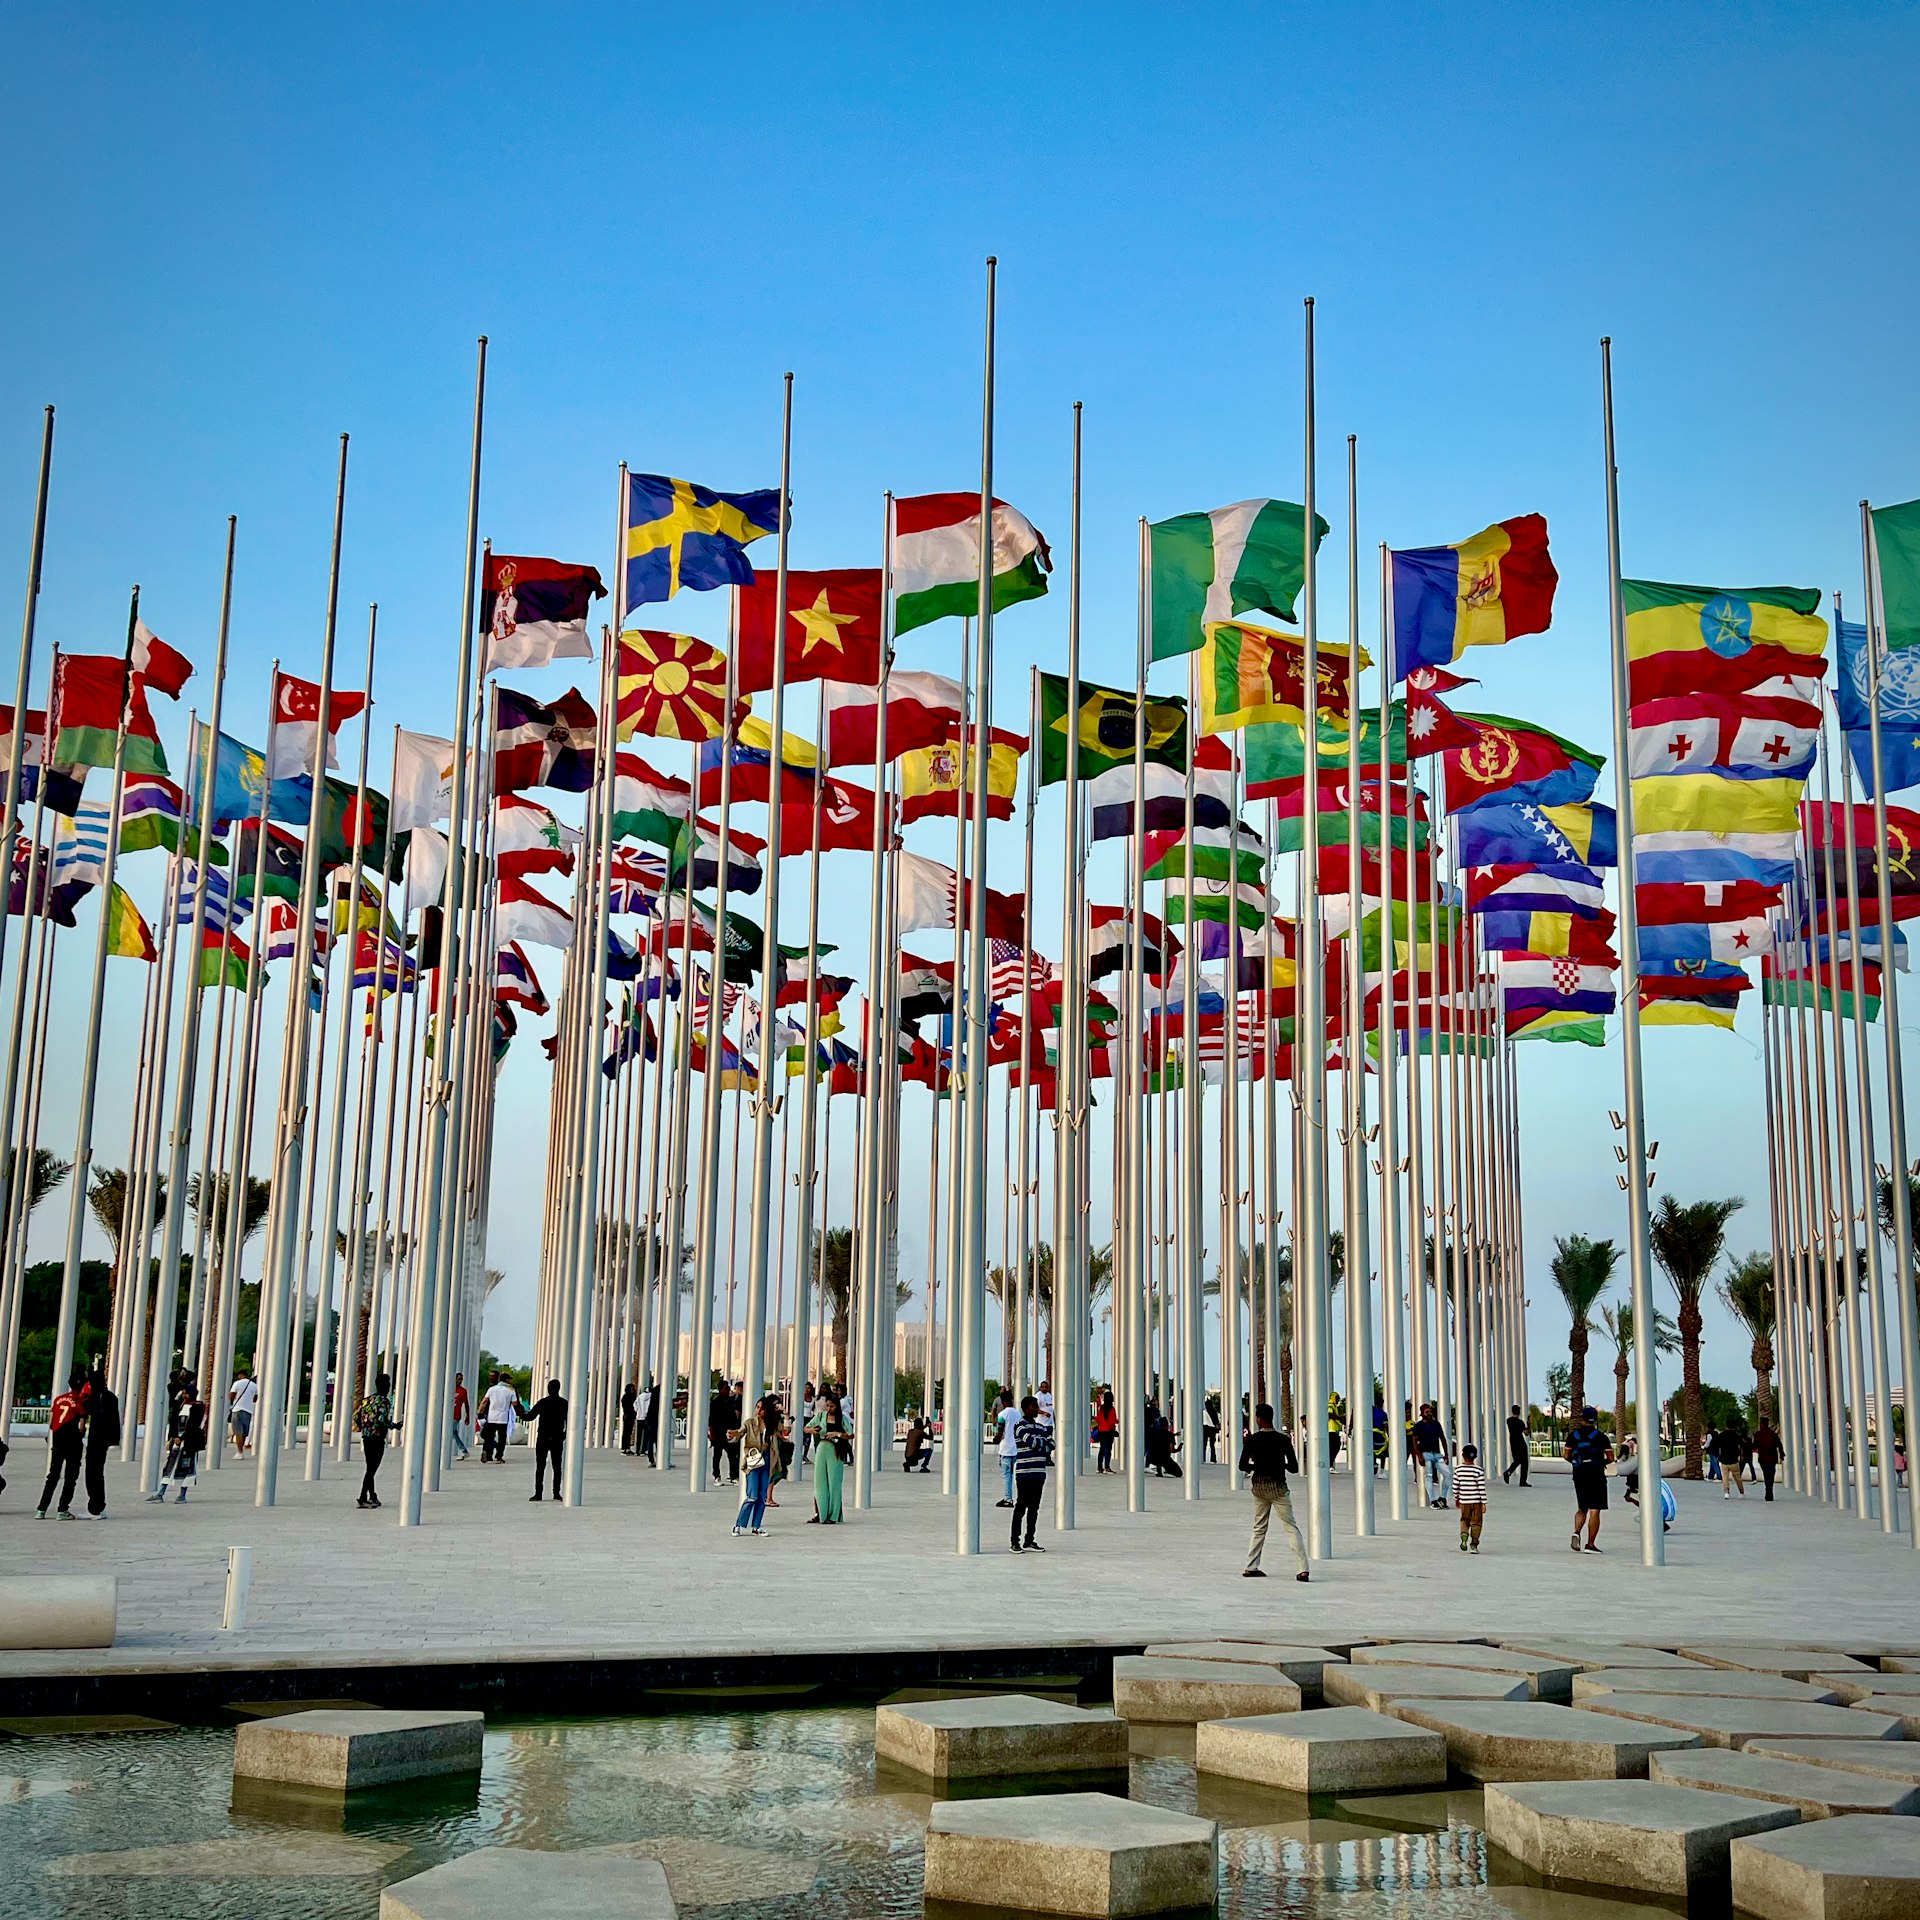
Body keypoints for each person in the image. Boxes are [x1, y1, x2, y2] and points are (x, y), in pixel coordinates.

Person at [1239, 1402, 1308, 1581]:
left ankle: (1251, 1566)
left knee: (1259, 1527)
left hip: (1259, 1487)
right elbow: (1294, 1467)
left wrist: (1257, 1465)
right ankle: (1302, 1569)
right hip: (1278, 1487)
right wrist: (1279, 1464)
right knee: (1290, 1526)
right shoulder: (1283, 1439)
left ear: (1259, 1419)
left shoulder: (1252, 1439)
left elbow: (1242, 1465)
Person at [36, 1367, 90, 1519]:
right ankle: (62, 1509)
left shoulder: (59, 1399)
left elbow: (52, 1422)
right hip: (73, 1442)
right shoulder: (81, 1401)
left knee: (53, 1475)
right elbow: (82, 1425)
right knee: (70, 1477)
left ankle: (41, 1509)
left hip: (58, 1440)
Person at [730, 1392, 782, 1536]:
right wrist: (733, 1435)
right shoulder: (750, 1423)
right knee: (752, 1495)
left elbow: (785, 1431)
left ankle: (756, 1526)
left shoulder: (772, 1424)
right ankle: (739, 1524)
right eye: (757, 1407)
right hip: (754, 1458)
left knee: (761, 1496)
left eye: (762, 1408)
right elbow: (740, 1433)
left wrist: (783, 1412)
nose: (759, 1411)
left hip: (766, 1458)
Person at [1564, 1405, 1613, 1552]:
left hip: (1579, 1475)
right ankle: (1590, 1544)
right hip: (1596, 1475)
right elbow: (1610, 1458)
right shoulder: (1601, 1437)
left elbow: (1566, 1456)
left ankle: (1576, 1532)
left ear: (1582, 1418)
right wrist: (1600, 1464)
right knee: (1595, 1510)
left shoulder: (1574, 1436)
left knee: (1582, 1508)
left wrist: (1576, 1464)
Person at [1009, 1394, 1053, 1552]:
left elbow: (1052, 1444)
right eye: (1034, 1406)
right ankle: (1015, 1541)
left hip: (1039, 1473)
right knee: (1021, 1507)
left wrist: (1042, 1443)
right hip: (1024, 1473)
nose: (1037, 1409)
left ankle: (1029, 1540)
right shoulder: (1019, 1426)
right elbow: (1033, 1442)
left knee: (1034, 1508)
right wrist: (1043, 1443)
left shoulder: (1040, 1427)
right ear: (1026, 1408)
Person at [153, 1383, 208, 1503]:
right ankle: (161, 1492)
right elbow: (173, 1420)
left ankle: (182, 1494)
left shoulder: (198, 1406)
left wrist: (182, 1438)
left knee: (188, 1467)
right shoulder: (181, 1405)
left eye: (186, 1393)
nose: (184, 1395)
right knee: (170, 1465)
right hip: (177, 1441)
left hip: (189, 1442)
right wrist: (174, 1437)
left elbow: (194, 1425)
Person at [82, 1359, 121, 1519]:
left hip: (98, 1439)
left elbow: (91, 1410)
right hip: (101, 1440)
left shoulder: (99, 1398)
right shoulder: (109, 1397)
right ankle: (96, 1506)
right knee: (95, 1472)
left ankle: (97, 1507)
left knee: (94, 1473)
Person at [354, 1373, 399, 1509]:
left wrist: (364, 1428)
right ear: (385, 1386)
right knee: (372, 1469)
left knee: (370, 1467)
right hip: (377, 1438)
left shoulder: (367, 1400)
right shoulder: (384, 1401)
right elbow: (382, 1420)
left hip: (366, 1437)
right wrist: (395, 1426)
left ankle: (372, 1496)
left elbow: (357, 1417)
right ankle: (362, 1497)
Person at [808, 1388, 849, 1523]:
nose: (829, 1408)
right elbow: (807, 1427)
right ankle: (820, 1513)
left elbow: (850, 1434)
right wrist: (813, 1430)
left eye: (832, 1406)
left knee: (834, 1483)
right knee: (819, 1482)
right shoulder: (821, 1416)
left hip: (836, 1451)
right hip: (822, 1448)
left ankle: (833, 1515)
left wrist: (836, 1434)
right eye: (828, 1405)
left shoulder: (842, 1418)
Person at [524, 1378, 568, 1500]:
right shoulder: (564, 1403)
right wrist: (564, 1434)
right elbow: (568, 1421)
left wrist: (520, 1413)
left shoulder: (543, 1402)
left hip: (543, 1437)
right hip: (557, 1438)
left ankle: (538, 1493)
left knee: (540, 1466)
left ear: (548, 1389)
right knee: (557, 1466)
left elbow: (530, 1417)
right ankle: (556, 1493)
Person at [1411, 1402, 1449, 1507]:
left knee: (1447, 1474)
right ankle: (1433, 1500)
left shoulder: (1436, 1424)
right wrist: (1419, 1456)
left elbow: (1442, 1438)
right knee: (1429, 1476)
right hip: (1425, 1453)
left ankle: (1442, 1497)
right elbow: (1414, 1442)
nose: (1429, 1413)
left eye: (1430, 1411)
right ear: (1422, 1413)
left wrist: (1446, 1454)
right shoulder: (1418, 1426)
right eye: (1427, 1412)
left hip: (1437, 1453)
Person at [1453, 1443, 1488, 1553]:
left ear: (1463, 1455)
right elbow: (1481, 1487)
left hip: (1464, 1501)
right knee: (1476, 1522)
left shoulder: (1458, 1470)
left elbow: (1455, 1487)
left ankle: (1464, 1534)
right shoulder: (1478, 1470)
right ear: (1475, 1456)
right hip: (1476, 1501)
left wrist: (1457, 1498)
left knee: (1464, 1520)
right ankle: (1474, 1544)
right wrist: (1484, 1502)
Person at [479, 1370, 516, 1462]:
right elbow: (515, 1403)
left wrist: (480, 1411)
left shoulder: (492, 1389)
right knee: (502, 1438)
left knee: (489, 1437)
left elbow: (484, 1401)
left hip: (491, 1416)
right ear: (506, 1380)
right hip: (503, 1417)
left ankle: (486, 1453)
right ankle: (499, 1456)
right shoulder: (510, 1390)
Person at [993, 1389, 1019, 1507]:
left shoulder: (1002, 1415)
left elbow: (1000, 1432)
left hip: (1006, 1449)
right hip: (1016, 1448)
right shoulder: (1018, 1413)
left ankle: (1008, 1499)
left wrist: (995, 1439)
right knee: (1016, 1476)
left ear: (1003, 1402)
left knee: (1007, 1475)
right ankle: (1019, 1497)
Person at [228, 1363, 258, 1457]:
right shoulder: (254, 1385)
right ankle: (241, 1450)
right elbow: (255, 1399)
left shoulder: (237, 1383)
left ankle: (239, 1452)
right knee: (244, 1432)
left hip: (237, 1409)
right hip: (248, 1410)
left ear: (240, 1375)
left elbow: (231, 1396)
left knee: (238, 1432)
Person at [1752, 1417, 1783, 1500]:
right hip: (1772, 1458)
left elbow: (1755, 1446)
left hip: (1763, 1459)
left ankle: (1768, 1492)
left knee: (1766, 1475)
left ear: (1761, 1424)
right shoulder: (1773, 1434)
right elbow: (1779, 1445)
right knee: (1771, 1475)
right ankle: (1769, 1491)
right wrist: (1782, 1455)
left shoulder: (1757, 1435)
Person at [1503, 1405, 1530, 1486]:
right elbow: (1526, 1433)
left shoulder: (1509, 1421)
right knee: (1524, 1462)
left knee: (1517, 1460)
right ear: (1519, 1412)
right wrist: (1529, 1425)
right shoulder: (1520, 1422)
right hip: (1521, 1443)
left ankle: (1508, 1472)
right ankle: (1522, 1481)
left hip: (1513, 1443)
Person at [1722, 1420, 1749, 1499]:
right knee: (1737, 1477)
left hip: (1724, 1459)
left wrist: (1719, 1456)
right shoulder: (1737, 1436)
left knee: (1725, 1477)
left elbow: (1718, 1446)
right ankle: (1741, 1492)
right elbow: (1742, 1446)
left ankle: (1726, 1492)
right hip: (1734, 1459)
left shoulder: (1722, 1435)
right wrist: (1741, 1456)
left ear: (1726, 1426)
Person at [1093, 1389, 1118, 1473]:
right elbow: (1113, 1421)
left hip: (1101, 1431)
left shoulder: (1102, 1408)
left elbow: (1098, 1419)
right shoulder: (1112, 1409)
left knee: (1102, 1449)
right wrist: (1117, 1421)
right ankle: (1107, 1467)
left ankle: (1099, 1467)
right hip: (1109, 1431)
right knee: (1108, 1449)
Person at [450, 1372, 471, 1461]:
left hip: (456, 1414)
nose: (460, 1381)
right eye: (458, 1379)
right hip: (448, 1414)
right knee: (452, 1433)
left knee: (452, 1432)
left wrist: (468, 1415)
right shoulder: (449, 1389)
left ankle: (463, 1450)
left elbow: (466, 1404)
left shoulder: (463, 1391)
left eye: (461, 1379)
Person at [620, 1380, 639, 1456]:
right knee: (626, 1432)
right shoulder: (627, 1397)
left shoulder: (629, 1397)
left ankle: (626, 1448)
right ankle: (625, 1448)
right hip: (628, 1415)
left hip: (629, 1416)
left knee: (628, 1432)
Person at [1202, 1395, 1221, 1464]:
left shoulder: (1204, 1412)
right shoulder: (1214, 1411)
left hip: (1205, 1428)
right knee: (1212, 1445)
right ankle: (1213, 1459)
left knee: (1204, 1445)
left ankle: (1202, 1458)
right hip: (1212, 1429)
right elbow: (1216, 1421)